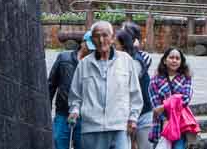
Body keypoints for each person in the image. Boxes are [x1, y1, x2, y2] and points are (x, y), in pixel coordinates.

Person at [69, 21, 143, 149]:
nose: (101, 40)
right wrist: (74, 111)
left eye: (105, 35)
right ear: (92, 39)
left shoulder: (126, 61)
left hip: (119, 126)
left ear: (113, 38)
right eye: (97, 36)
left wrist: (133, 118)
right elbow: (75, 95)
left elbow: (135, 93)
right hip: (91, 128)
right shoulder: (84, 64)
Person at [49, 31, 93, 149]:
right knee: (59, 143)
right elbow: (51, 84)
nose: (90, 50)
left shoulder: (94, 64)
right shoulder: (64, 58)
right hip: (62, 113)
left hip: (85, 117)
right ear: (82, 43)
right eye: (89, 45)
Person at [149, 47, 194, 149]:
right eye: (171, 57)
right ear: (165, 60)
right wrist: (165, 120)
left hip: (179, 124)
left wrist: (165, 105)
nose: (174, 60)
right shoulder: (155, 80)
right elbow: (155, 105)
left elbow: (185, 99)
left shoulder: (186, 78)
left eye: (177, 58)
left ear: (181, 62)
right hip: (161, 125)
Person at [121, 22, 154, 149]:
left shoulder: (142, 58)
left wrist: (133, 49)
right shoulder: (114, 57)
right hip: (122, 112)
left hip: (143, 111)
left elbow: (130, 77)